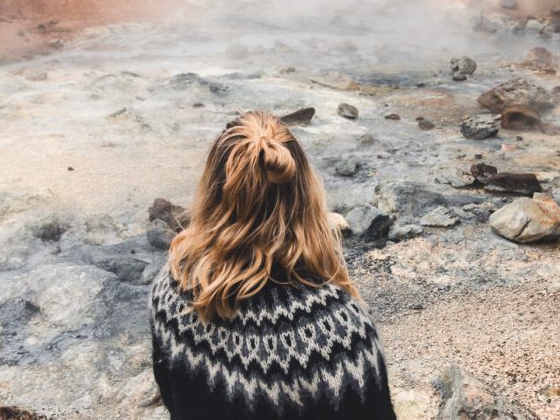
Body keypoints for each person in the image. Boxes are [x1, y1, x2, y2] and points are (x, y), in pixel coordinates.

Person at [149, 111, 396, 420]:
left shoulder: (172, 289)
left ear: (212, 192)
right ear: (306, 192)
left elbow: (176, 402)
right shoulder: (341, 334)